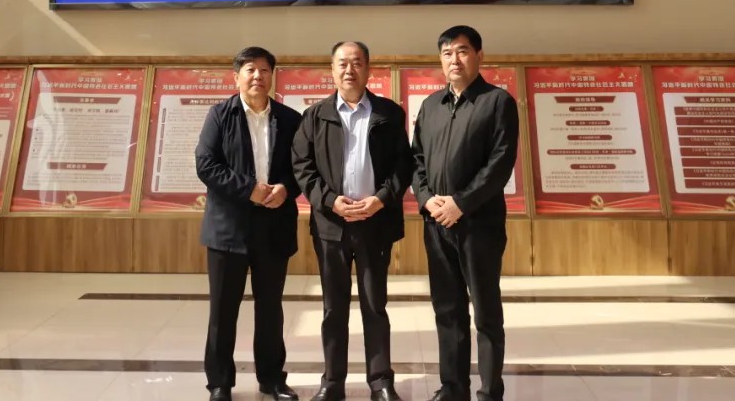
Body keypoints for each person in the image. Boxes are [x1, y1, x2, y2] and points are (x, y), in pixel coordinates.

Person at [292, 41, 412, 401]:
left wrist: (381, 199)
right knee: (334, 309)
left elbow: (403, 165)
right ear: (331, 70)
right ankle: (333, 381)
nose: (349, 70)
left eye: (357, 63)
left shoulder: (389, 113)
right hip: (332, 226)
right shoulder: (315, 116)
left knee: (375, 306)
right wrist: (331, 201)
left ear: (368, 69)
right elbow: (302, 167)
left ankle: (381, 381)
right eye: (342, 63)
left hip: (375, 223)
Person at [411, 26, 519, 401]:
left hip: (479, 225)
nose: (453, 60)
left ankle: (490, 391)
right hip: (436, 224)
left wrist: (461, 203)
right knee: (447, 309)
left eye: (461, 51)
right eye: (446, 53)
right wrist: (427, 199)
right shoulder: (430, 106)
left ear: (479, 56)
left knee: (486, 311)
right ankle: (453, 387)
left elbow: (499, 164)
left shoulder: (497, 102)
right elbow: (417, 161)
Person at [196, 47, 302, 401]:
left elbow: (302, 167)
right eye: (250, 70)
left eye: (264, 70)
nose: (258, 76)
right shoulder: (219, 115)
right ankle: (220, 383)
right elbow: (206, 164)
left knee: (270, 309)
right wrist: (249, 190)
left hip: (274, 228)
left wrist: (286, 188)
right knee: (223, 311)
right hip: (228, 229)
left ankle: (272, 379)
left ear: (273, 75)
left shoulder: (289, 119)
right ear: (236, 76)